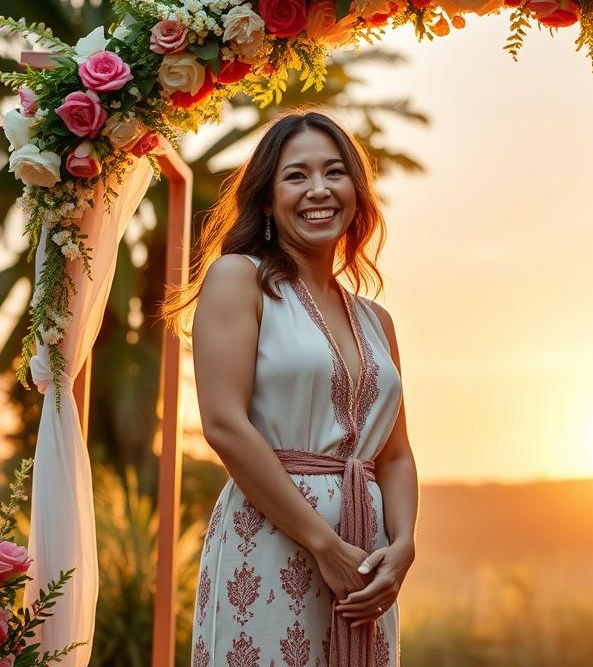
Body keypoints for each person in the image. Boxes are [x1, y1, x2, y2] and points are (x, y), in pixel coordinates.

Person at [161, 111, 418, 666]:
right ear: (267, 199)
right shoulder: (238, 278)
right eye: (296, 176)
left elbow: (394, 456)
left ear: (357, 191)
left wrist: (401, 549)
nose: (318, 189)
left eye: (334, 172)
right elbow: (224, 425)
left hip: (365, 558)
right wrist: (324, 546)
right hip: (272, 539)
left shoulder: (378, 321)